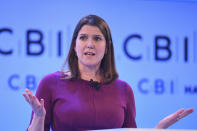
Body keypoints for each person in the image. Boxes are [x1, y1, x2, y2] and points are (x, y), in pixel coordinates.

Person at [23, 14, 194, 131]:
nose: (90, 44)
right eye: (83, 38)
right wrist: (38, 117)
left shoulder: (124, 90)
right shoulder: (51, 83)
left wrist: (158, 130)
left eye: (97, 38)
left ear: (107, 48)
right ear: (74, 46)